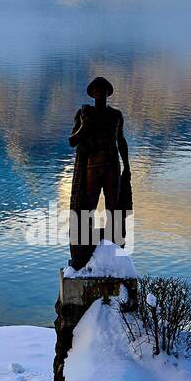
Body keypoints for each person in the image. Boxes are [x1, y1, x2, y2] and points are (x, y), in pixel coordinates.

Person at [67, 76, 132, 270]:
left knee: (114, 208)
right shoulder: (84, 114)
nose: (100, 94)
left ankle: (115, 246)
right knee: (88, 208)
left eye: (103, 91)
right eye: (97, 90)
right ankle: (84, 250)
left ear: (107, 93)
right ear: (92, 93)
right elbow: (72, 141)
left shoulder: (115, 115)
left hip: (112, 166)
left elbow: (121, 141)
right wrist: (85, 126)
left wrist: (127, 166)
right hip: (91, 168)